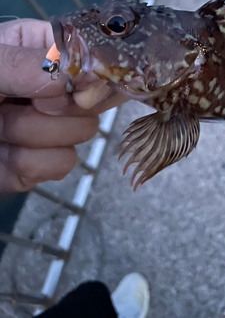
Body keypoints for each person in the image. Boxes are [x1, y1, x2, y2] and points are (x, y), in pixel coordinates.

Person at [0, 18, 149, 318]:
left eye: (117, 24)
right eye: (117, 25)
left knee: (91, 297)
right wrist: (43, 70)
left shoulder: (61, 54)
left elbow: (49, 69)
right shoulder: (59, 54)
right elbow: (49, 68)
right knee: (93, 299)